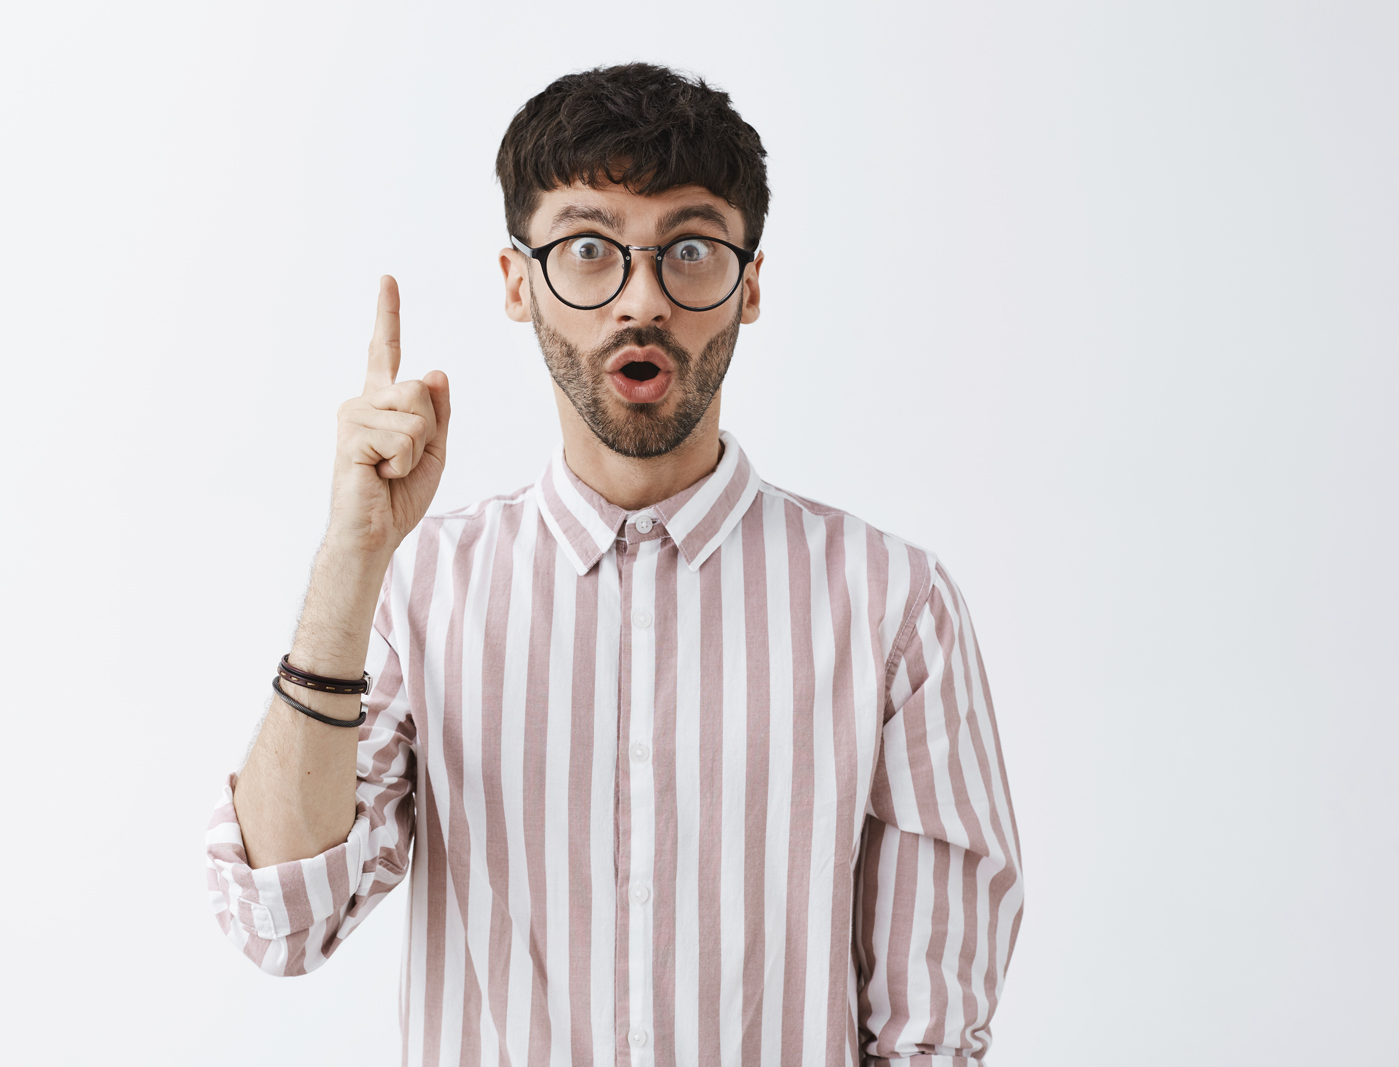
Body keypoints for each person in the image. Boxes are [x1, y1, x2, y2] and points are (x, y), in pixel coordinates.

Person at [206, 63, 1022, 1066]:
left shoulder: (894, 605)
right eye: (589, 249)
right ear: (519, 282)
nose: (641, 300)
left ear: (748, 284)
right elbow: (280, 917)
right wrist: (351, 557)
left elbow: (932, 1035)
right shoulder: (423, 592)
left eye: (688, 249)